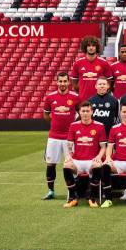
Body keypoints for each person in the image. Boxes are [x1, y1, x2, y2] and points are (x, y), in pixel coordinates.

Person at [42, 72, 80, 200]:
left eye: (65, 81)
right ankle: (51, 191)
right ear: (57, 82)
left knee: (73, 165)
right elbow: (46, 115)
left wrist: (74, 125)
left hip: (70, 138)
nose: (63, 84)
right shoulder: (50, 97)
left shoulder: (75, 97)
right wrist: (55, 122)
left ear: (69, 82)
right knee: (51, 164)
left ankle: (74, 191)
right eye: (60, 81)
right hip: (54, 136)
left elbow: (81, 113)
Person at [62, 101, 106, 208]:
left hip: (91, 160)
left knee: (98, 166)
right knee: (66, 166)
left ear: (92, 112)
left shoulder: (99, 126)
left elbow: (103, 147)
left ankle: (91, 198)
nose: (85, 113)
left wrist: (99, 157)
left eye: (87, 111)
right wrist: (68, 158)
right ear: (79, 112)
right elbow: (69, 146)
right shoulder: (73, 126)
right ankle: (73, 198)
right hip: (77, 161)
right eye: (83, 111)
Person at [71, 35, 112, 101]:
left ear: (96, 47)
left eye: (93, 46)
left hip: (100, 100)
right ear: (85, 47)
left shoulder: (104, 63)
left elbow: (109, 83)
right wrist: (82, 92)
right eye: (89, 46)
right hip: (83, 100)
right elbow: (74, 84)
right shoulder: (78, 63)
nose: (91, 48)